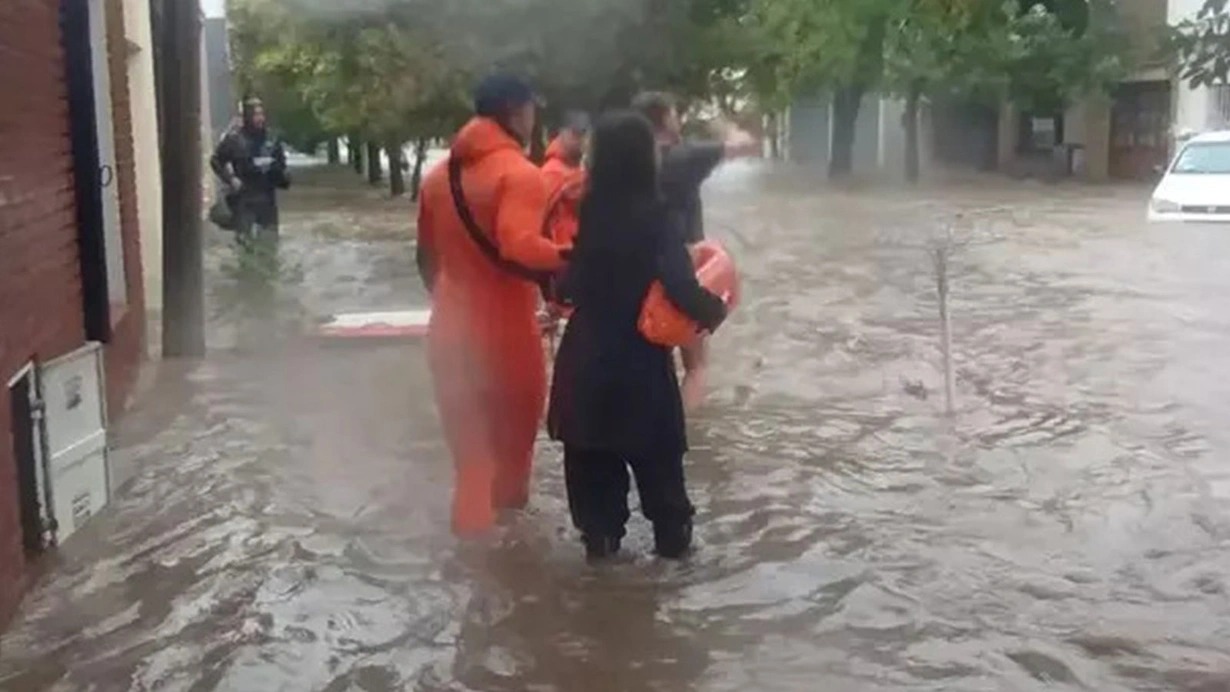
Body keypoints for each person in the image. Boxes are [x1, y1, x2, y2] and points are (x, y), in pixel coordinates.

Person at [547, 110, 728, 562]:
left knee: (597, 518)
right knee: (666, 501)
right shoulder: (658, 215)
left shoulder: (588, 213)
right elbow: (681, 286)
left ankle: (600, 601)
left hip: (585, 364)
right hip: (640, 366)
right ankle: (668, 603)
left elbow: (567, 285)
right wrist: (715, 309)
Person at [416, 75, 571, 536]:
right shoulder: (520, 175)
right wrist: (576, 255)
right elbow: (519, 246)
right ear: (516, 111)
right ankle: (511, 585)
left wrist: (457, 299)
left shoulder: (436, 177)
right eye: (531, 109)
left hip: (448, 334)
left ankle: (468, 581)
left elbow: (425, 259)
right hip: (505, 341)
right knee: (512, 471)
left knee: (471, 470)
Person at [631, 92, 757, 410]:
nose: (679, 119)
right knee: (696, 366)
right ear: (664, 118)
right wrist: (724, 122)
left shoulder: (628, 162)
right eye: (674, 113)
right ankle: (683, 438)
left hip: (638, 267)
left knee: (653, 358)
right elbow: (745, 145)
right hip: (681, 265)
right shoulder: (684, 158)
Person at [210, 97, 290, 243]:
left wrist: (282, 176)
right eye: (255, 115)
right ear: (247, 117)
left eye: (261, 114)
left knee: (269, 245)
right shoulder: (234, 140)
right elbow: (216, 161)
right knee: (244, 244)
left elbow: (282, 165)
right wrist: (231, 179)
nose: (260, 118)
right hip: (244, 200)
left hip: (267, 201)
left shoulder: (271, 139)